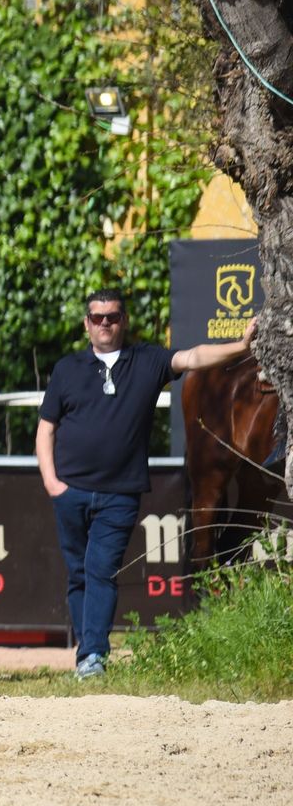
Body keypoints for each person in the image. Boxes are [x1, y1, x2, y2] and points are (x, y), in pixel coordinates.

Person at [37, 289, 256, 679]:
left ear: (124, 321)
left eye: (113, 317)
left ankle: (92, 656)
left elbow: (194, 357)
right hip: (69, 491)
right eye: (98, 317)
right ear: (87, 324)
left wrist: (240, 346)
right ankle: (88, 650)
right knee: (79, 573)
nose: (106, 323)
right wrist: (52, 482)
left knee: (100, 568)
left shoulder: (148, 360)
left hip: (119, 493)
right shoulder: (67, 369)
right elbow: (46, 429)